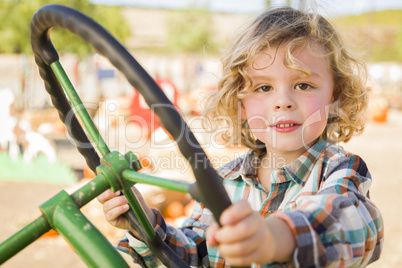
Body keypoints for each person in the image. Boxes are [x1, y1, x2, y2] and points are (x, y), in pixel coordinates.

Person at [97, 5, 383, 267]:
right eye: (263, 88)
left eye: (304, 85)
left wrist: (275, 238)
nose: (282, 102)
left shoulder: (338, 170)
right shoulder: (223, 181)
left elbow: (353, 224)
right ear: (240, 104)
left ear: (336, 97)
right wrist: (143, 222)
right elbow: (194, 253)